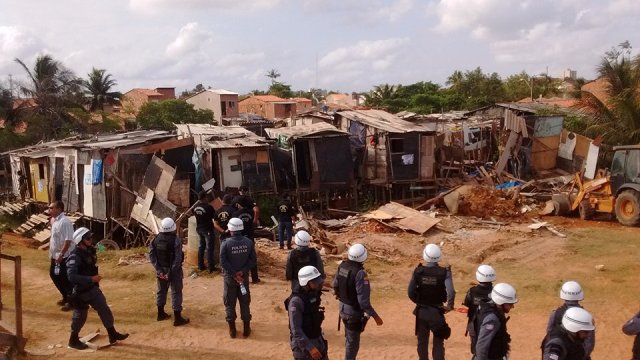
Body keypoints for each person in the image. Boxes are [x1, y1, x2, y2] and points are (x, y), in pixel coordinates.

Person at [66, 227, 128, 350]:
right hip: (81, 292)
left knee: (104, 309)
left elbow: (101, 248)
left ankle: (112, 334)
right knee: (80, 317)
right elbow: (71, 276)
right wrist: (90, 279)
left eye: (90, 237)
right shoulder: (74, 256)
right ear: (80, 240)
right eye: (88, 238)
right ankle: (73, 340)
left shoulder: (90, 250)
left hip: (92, 289)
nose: (91, 239)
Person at [332, 243, 383, 360]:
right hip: (353, 313)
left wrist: (341, 296)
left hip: (342, 309)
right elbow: (363, 302)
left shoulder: (342, 266)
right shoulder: (360, 273)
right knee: (352, 343)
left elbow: (335, 286)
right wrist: (375, 316)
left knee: (349, 339)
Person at [408, 243, 455, 360]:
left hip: (422, 312)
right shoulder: (445, 272)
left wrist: (419, 301)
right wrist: (449, 306)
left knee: (422, 342)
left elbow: (410, 292)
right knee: (438, 342)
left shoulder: (418, 271)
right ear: (439, 256)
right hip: (437, 312)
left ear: (425, 256)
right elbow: (451, 292)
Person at [220, 217, 257, 338]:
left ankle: (232, 330)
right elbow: (253, 260)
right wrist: (242, 272)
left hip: (230, 279)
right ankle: (246, 328)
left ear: (230, 229)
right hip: (243, 278)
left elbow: (223, 262)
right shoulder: (249, 242)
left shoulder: (225, 243)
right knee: (245, 302)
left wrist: (234, 273)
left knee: (229, 303)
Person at [149, 217, 190, 326]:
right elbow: (177, 258)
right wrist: (171, 272)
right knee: (176, 292)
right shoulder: (176, 240)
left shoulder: (155, 239)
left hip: (161, 270)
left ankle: (160, 314)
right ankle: (177, 318)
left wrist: (159, 270)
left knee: (161, 291)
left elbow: (152, 256)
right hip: (173, 271)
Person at [286, 266, 328, 360]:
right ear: (306, 283)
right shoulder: (296, 302)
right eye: (315, 282)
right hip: (304, 348)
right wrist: (310, 348)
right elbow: (296, 330)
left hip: (317, 339)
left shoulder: (313, 295)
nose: (318, 284)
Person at [545, 281, 595, 358]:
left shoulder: (555, 314)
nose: (586, 334)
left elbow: (549, 333)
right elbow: (589, 344)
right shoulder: (586, 317)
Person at [475, 282, 518, 360]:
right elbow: (482, 346)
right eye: (510, 304)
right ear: (501, 302)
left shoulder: (492, 309)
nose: (512, 306)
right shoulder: (492, 319)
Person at [463, 264, 496, 355]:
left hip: (474, 325)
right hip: (491, 325)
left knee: (476, 351)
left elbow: (467, 304)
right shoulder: (495, 292)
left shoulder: (472, 291)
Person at [48, 200, 75, 311]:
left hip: (64, 256)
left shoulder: (65, 222)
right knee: (54, 275)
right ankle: (65, 297)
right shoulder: (55, 221)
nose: (49, 210)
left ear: (58, 209)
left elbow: (68, 240)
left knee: (65, 278)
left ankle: (72, 301)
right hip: (55, 256)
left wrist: (61, 254)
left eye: (51, 208)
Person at [233, 198, 260, 283]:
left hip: (240, 238)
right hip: (250, 237)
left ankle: (242, 278)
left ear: (240, 204)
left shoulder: (236, 213)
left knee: (240, 257)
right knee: (252, 257)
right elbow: (255, 219)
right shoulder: (251, 212)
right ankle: (255, 278)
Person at [193, 191, 216, 272]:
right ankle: (210, 267)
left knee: (201, 247)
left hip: (199, 229)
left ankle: (200, 265)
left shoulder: (195, 207)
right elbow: (214, 217)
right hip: (208, 230)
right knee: (209, 248)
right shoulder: (208, 207)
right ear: (205, 198)